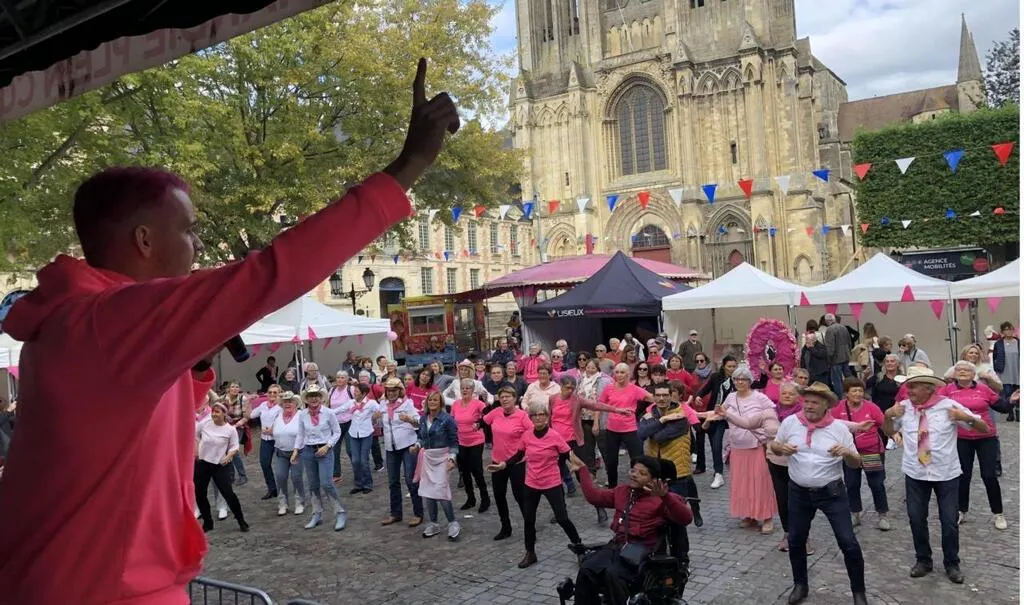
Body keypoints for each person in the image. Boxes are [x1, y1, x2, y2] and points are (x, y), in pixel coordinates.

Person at [882, 366, 988, 584]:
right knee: (916, 518)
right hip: (915, 472)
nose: (908, 390)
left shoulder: (949, 406)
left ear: (928, 388)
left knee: (949, 521)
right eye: (907, 386)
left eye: (913, 386)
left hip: (946, 473)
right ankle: (923, 560)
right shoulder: (903, 408)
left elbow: (984, 428)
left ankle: (952, 563)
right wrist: (887, 416)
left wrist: (965, 417)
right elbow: (887, 431)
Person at [770, 382, 866, 605]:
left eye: (815, 402)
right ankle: (800, 585)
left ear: (826, 405)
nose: (809, 406)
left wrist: (846, 453)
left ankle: (859, 593)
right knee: (796, 540)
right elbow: (774, 447)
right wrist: (780, 449)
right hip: (798, 493)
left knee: (848, 542)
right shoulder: (791, 423)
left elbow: (855, 463)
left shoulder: (839, 429)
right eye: (807, 401)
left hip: (832, 493)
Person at [571, 454, 693, 605]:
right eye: (633, 471)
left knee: (613, 575)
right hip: (617, 546)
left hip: (642, 551)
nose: (635, 475)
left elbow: (686, 518)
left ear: (653, 479)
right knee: (587, 569)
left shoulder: (661, 499)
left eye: (642, 473)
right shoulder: (623, 491)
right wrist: (582, 470)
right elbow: (594, 497)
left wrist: (664, 496)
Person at [490, 401, 582, 568]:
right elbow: (518, 455)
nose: (538, 418)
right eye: (535, 415)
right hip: (532, 482)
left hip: (551, 482)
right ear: (530, 418)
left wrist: (574, 464)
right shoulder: (527, 435)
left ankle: (579, 547)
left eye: (542, 415)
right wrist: (503, 464)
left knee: (562, 518)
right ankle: (530, 553)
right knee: (529, 519)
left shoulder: (554, 435)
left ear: (547, 417)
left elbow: (567, 452)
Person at [943, 360, 1014, 529]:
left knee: (989, 475)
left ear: (973, 374)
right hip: (961, 438)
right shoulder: (947, 390)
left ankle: (998, 513)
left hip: (985, 436)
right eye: (959, 370)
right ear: (954, 373)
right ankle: (961, 510)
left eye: (966, 370)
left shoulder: (983, 389)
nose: (962, 372)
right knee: (963, 475)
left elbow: (1001, 407)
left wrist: (1011, 400)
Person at [638, 383, 701, 560]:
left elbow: (659, 437)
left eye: (665, 395)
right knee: (655, 518)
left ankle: (681, 557)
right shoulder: (652, 414)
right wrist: (663, 421)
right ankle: (660, 555)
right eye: (658, 395)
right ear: (654, 396)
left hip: (677, 474)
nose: (662, 398)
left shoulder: (681, 417)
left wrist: (654, 422)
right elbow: (641, 434)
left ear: (671, 395)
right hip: (655, 475)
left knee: (677, 519)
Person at [548, 375, 628, 499]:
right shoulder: (553, 399)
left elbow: (596, 405)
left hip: (572, 440)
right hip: (556, 442)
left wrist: (616, 410)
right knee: (555, 474)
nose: (570, 391)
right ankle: (560, 504)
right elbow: (549, 418)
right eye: (567, 388)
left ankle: (596, 500)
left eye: (572, 388)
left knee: (582, 472)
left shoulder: (577, 400)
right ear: (561, 386)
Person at [719, 365, 777, 533]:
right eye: (736, 379)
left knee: (761, 482)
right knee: (742, 483)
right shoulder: (730, 397)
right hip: (738, 446)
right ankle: (749, 514)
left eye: (743, 379)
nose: (739, 382)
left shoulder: (760, 397)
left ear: (750, 381)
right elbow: (722, 412)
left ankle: (767, 517)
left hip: (756, 445)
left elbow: (771, 414)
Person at [832, 378, 889, 531]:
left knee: (876, 484)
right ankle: (855, 513)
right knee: (851, 484)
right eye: (854, 390)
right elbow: (831, 425)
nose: (858, 393)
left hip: (871, 452)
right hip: (850, 453)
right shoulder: (838, 409)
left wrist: (895, 435)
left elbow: (884, 425)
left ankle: (882, 515)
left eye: (860, 390)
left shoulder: (871, 407)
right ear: (846, 393)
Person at [483, 386, 532, 540]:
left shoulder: (522, 416)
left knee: (520, 497)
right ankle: (506, 527)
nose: (504, 399)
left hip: (516, 462)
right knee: (499, 495)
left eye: (508, 396)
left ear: (515, 398)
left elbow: (532, 434)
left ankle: (530, 529)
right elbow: (482, 421)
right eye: (502, 397)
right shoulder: (496, 412)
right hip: (497, 461)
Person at [194, 401, 249, 533]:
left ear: (224, 414)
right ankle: (207, 522)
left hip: (220, 464)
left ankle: (241, 520)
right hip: (203, 463)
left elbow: (234, 446)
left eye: (217, 412)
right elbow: (196, 436)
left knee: (228, 493)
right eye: (213, 411)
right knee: (200, 493)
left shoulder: (230, 430)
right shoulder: (204, 425)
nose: (214, 414)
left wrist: (228, 456)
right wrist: (197, 452)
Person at [296, 387, 347, 531]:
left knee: (326, 483)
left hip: (324, 450)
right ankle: (316, 513)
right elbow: (300, 434)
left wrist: (327, 446)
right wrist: (296, 450)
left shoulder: (329, 413)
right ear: (306, 398)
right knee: (313, 484)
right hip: (308, 451)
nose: (314, 399)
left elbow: (337, 432)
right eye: (311, 396)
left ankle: (340, 512)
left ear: (321, 397)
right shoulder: (303, 414)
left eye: (316, 396)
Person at [412, 391, 461, 540]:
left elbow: (454, 441)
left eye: (435, 400)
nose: (432, 402)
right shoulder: (422, 419)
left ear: (440, 403)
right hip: (428, 457)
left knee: (441, 490)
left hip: (442, 457)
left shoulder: (448, 420)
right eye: (430, 400)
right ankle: (434, 523)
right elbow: (421, 437)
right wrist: (417, 445)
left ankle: (452, 521)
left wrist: (452, 459)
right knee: (428, 491)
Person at [598, 363, 655, 488]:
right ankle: (613, 487)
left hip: (630, 429)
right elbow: (600, 405)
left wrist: (650, 412)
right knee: (611, 461)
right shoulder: (609, 388)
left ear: (628, 374)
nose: (619, 375)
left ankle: (638, 485)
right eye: (617, 372)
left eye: (622, 372)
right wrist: (596, 423)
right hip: (612, 429)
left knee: (637, 459)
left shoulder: (634, 389)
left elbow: (654, 399)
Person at [697, 355, 739, 489]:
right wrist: (698, 396)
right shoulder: (716, 377)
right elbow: (706, 389)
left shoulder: (739, 379)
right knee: (715, 445)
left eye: (734, 366)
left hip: (731, 415)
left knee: (732, 443)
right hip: (714, 415)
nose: (732, 369)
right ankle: (718, 473)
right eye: (729, 366)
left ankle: (734, 473)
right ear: (724, 366)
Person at [452, 378, 491, 512]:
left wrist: (479, 422)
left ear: (473, 390)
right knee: (464, 471)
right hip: (461, 441)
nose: (465, 390)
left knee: (477, 470)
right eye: (463, 387)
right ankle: (470, 499)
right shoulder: (455, 404)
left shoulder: (478, 404)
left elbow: (488, 417)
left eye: (468, 388)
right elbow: (452, 421)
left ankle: (485, 499)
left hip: (476, 440)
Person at [339, 382, 381, 495]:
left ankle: (368, 484)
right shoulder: (351, 403)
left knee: (364, 460)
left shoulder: (371, 403)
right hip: (353, 433)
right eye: (354, 391)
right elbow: (338, 410)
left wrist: (376, 416)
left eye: (357, 391)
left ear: (363, 393)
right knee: (355, 460)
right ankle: (358, 484)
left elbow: (381, 409)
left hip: (366, 433)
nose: (354, 393)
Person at [271, 392, 306, 516]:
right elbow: (274, 431)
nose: (288, 404)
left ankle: (299, 502)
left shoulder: (301, 415)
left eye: (290, 401)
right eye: (285, 402)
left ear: (296, 403)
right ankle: (282, 503)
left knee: (296, 477)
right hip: (281, 452)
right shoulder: (277, 415)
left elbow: (304, 433)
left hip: (297, 452)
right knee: (280, 477)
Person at [249, 385, 282, 500]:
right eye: (270, 392)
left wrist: (273, 429)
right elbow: (251, 415)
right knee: (264, 464)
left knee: (280, 467)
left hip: (278, 439)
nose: (272, 394)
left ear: (279, 394)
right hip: (265, 440)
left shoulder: (281, 407)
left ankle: (282, 489)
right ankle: (272, 488)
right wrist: (248, 403)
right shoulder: (263, 405)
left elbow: (283, 420)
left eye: (275, 393)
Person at [328, 372, 355, 482]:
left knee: (350, 449)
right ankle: (336, 473)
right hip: (336, 423)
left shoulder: (351, 389)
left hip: (349, 422)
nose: (339, 379)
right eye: (338, 377)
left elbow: (357, 401)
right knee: (334, 449)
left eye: (342, 377)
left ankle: (357, 470)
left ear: (347, 379)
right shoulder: (332, 390)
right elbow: (328, 404)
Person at [223, 381, 251, 486]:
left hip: (238, 427)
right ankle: (231, 475)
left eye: (237, 387)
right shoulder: (223, 399)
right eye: (233, 387)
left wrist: (235, 425)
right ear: (228, 389)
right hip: (225, 427)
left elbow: (246, 416)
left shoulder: (242, 399)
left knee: (234, 451)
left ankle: (242, 475)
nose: (235, 389)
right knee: (226, 451)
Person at [992, 321, 1019, 421]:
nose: (1009, 331)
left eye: (1010, 329)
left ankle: (1019, 413)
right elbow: (995, 357)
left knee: (1019, 392)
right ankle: (1010, 413)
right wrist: (997, 368)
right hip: (1005, 372)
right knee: (1008, 393)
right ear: (1002, 332)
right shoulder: (998, 344)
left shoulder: (1019, 342)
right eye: (1006, 329)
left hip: (1018, 371)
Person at [823, 314, 852, 398]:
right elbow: (849, 342)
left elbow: (830, 347)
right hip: (846, 356)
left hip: (836, 359)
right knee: (848, 377)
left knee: (837, 380)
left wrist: (828, 360)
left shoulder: (830, 330)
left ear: (827, 321)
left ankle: (840, 399)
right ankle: (852, 391)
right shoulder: (843, 327)